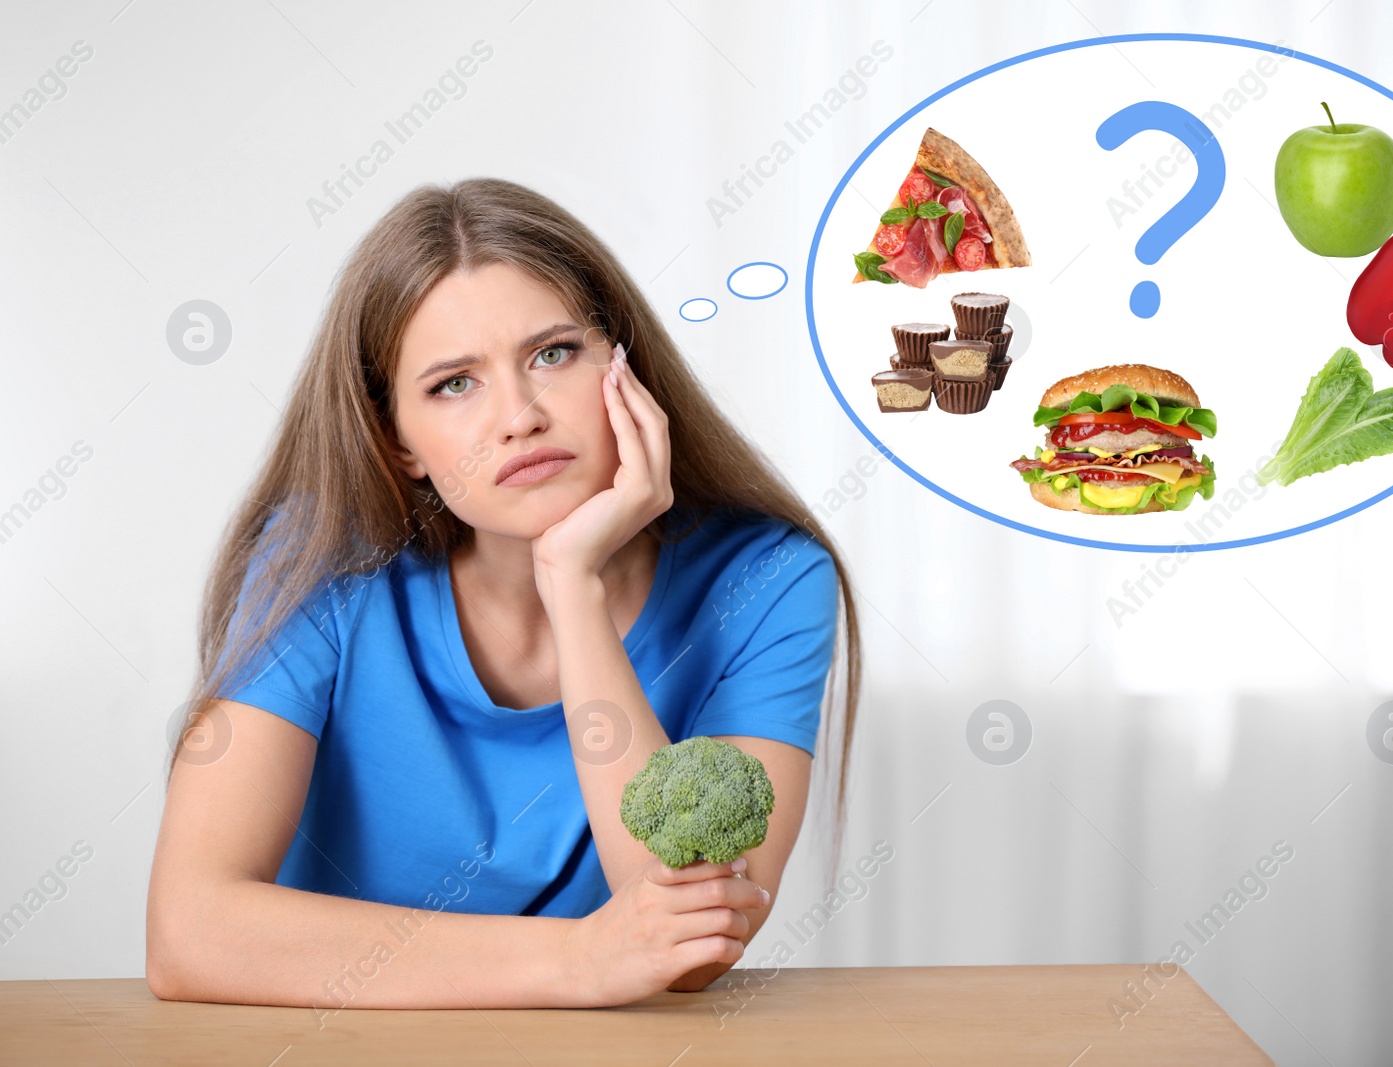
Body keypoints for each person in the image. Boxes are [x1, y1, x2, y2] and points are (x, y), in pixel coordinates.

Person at [145, 178, 860, 1012]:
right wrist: (581, 959)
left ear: (622, 364)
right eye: (454, 383)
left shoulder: (769, 580)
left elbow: (691, 948)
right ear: (399, 441)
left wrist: (572, 585)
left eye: (552, 353)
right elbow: (190, 932)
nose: (519, 415)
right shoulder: (317, 561)